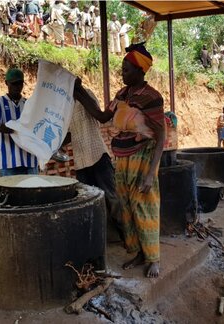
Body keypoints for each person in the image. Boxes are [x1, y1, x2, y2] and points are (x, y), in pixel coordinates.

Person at [74, 42, 165, 278]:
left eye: (126, 69)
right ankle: (138, 252)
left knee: (145, 206)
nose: (121, 73)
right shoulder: (122, 95)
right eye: (122, 69)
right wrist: (79, 92)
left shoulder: (151, 97)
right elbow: (102, 117)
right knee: (127, 208)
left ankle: (153, 257)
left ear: (139, 71)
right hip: (123, 159)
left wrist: (150, 173)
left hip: (143, 157)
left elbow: (161, 134)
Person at [64, 88, 123, 241]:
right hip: (81, 161)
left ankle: (126, 236)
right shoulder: (64, 105)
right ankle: (98, 239)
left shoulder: (87, 94)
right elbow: (71, 133)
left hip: (97, 155)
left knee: (112, 198)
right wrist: (53, 145)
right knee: (88, 202)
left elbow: (100, 116)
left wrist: (78, 91)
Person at [0, 68, 38, 176]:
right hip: (9, 161)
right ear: (6, 83)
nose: (17, 87)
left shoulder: (28, 104)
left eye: (20, 83)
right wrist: (2, 127)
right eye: (14, 84)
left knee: (32, 191)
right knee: (9, 192)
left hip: (29, 159)